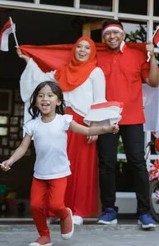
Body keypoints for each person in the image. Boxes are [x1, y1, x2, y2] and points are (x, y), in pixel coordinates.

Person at [2, 81, 119, 246]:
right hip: (40, 175)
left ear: (58, 101)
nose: (45, 99)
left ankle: (65, 215)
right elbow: (22, 147)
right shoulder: (32, 125)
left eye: (50, 95)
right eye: (41, 96)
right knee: (35, 206)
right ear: (35, 101)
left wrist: (105, 128)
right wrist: (11, 160)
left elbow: (86, 130)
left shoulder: (64, 120)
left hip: (59, 173)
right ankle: (44, 236)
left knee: (56, 205)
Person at [17, 37, 105, 225]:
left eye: (87, 48)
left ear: (92, 52)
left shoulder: (96, 72)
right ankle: (59, 210)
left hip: (83, 124)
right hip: (61, 123)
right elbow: (41, 80)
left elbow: (99, 100)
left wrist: (94, 126)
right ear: (73, 50)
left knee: (81, 169)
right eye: (79, 47)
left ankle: (78, 211)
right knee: (57, 167)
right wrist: (28, 60)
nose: (82, 50)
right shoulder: (61, 72)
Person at [95, 19, 159, 230]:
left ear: (123, 35)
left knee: (137, 164)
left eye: (115, 33)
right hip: (105, 117)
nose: (111, 37)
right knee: (106, 164)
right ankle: (109, 210)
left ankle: (144, 212)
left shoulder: (137, 54)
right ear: (103, 37)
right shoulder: (97, 55)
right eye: (107, 34)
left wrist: (153, 56)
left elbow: (154, 81)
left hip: (132, 116)